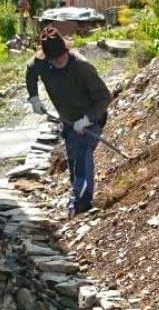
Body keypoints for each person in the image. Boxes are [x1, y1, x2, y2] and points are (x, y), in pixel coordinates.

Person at [26, 27, 112, 216]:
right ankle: (77, 196)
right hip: (68, 121)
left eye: (60, 57)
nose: (58, 61)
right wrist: (34, 97)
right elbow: (31, 71)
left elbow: (104, 97)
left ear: (66, 51)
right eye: (53, 59)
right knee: (73, 159)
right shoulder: (43, 63)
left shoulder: (82, 67)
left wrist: (87, 119)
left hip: (91, 120)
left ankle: (81, 203)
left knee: (82, 154)